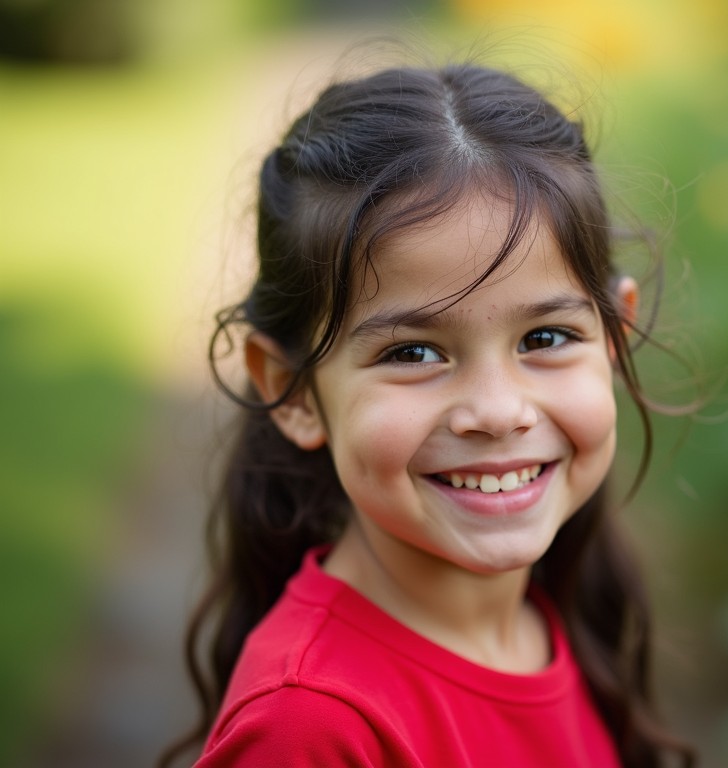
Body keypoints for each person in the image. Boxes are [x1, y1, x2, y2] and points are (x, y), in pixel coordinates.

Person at [162, 59, 695, 768]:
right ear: (290, 390)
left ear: (613, 342)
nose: (498, 411)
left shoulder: (559, 611)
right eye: (414, 353)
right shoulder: (310, 728)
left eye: (544, 339)